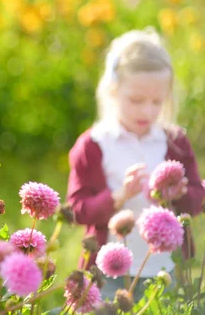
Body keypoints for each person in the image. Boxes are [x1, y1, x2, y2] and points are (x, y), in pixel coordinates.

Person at [66, 28, 204, 299]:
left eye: (157, 101)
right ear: (113, 90)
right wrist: (119, 196)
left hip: (167, 268)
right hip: (109, 273)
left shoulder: (174, 141)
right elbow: (77, 210)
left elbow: (198, 198)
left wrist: (181, 194)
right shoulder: (94, 144)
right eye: (136, 100)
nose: (147, 111)